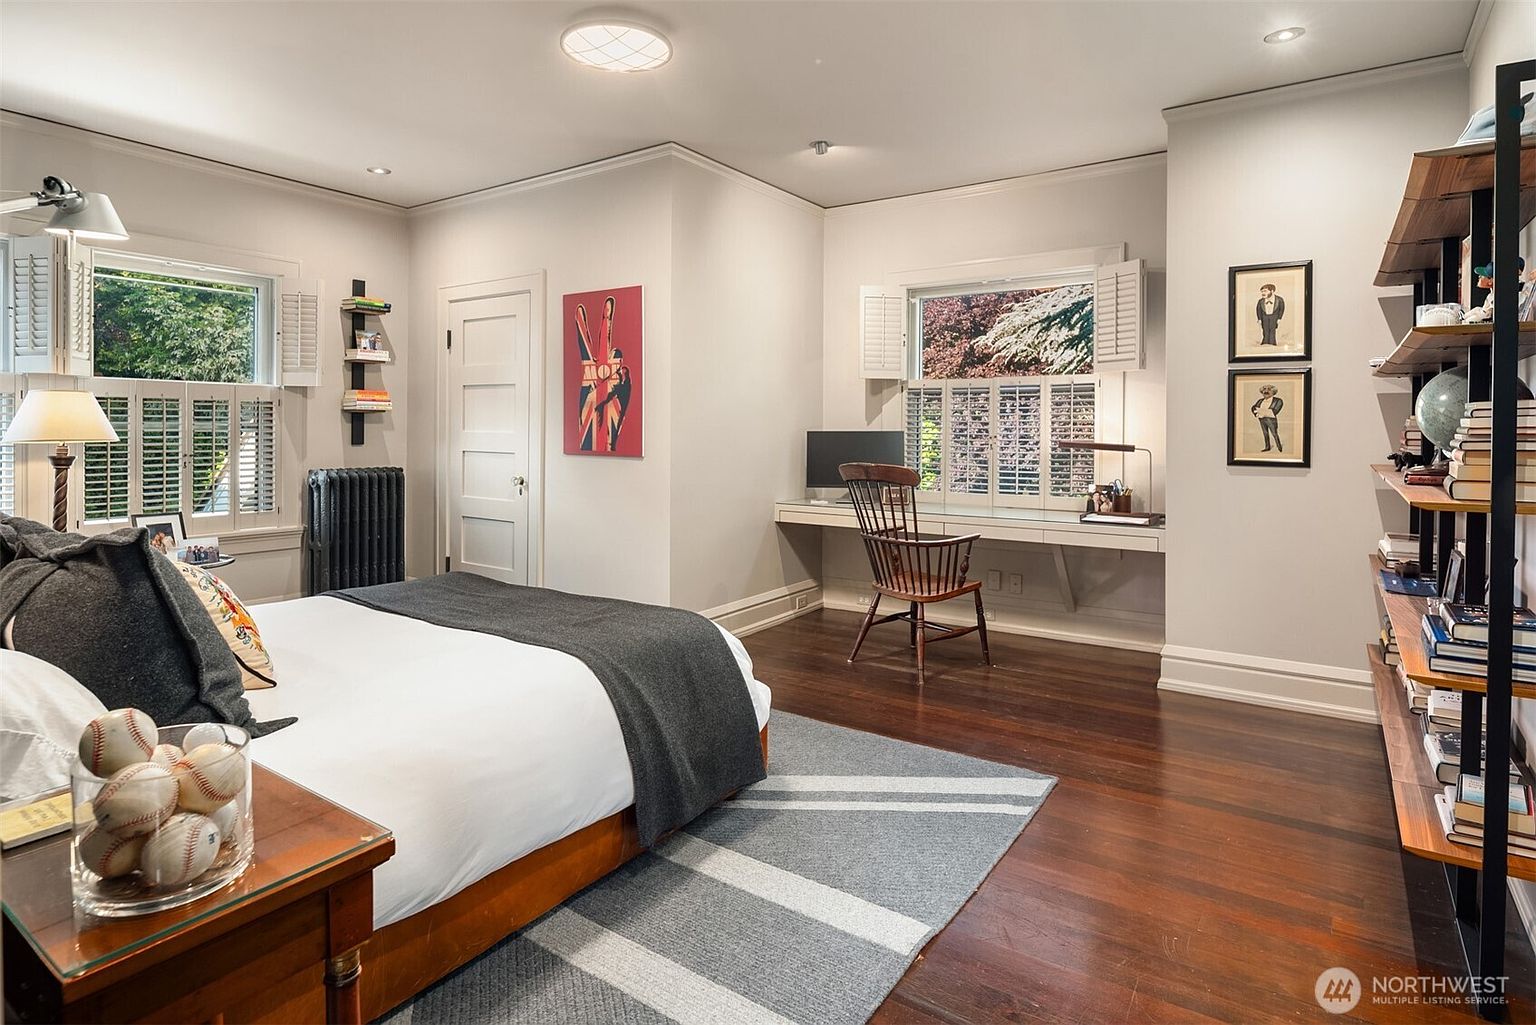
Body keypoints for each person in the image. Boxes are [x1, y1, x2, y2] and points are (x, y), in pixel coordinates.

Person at [1251, 384, 1284, 452]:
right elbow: (1253, 407)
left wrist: (1266, 412)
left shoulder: (1278, 400)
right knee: (1265, 433)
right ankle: (1267, 447)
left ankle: (1279, 447)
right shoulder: (1260, 400)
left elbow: (1276, 409)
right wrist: (1256, 414)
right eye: (1264, 389)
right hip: (1262, 419)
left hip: (1271, 420)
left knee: (1274, 434)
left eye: (1269, 389)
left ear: (1273, 392)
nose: (1266, 391)